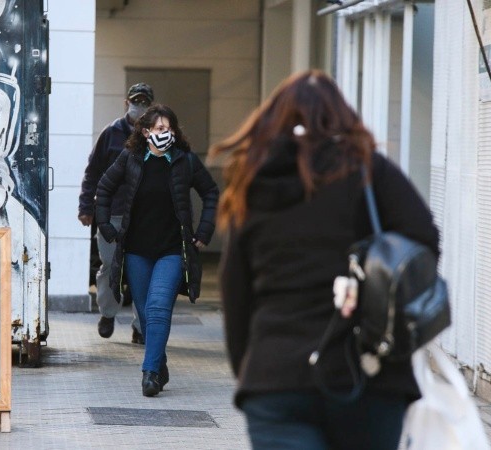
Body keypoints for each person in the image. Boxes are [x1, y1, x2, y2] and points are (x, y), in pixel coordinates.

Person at [215, 70, 440, 450]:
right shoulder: (370, 171)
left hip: (277, 378)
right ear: (342, 117)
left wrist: (250, 368)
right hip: (368, 376)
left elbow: (234, 291)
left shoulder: (253, 183)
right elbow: (424, 241)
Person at [96, 104, 219, 397]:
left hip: (172, 250)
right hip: (137, 251)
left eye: (170, 129)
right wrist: (106, 227)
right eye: (160, 129)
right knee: (146, 313)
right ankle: (159, 364)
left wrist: (203, 231)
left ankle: (149, 373)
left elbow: (211, 191)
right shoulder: (131, 158)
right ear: (146, 131)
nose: (166, 134)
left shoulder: (185, 161)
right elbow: (104, 189)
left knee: (158, 307)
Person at [79, 83, 154, 343]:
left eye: (145, 103)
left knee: (143, 270)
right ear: (126, 103)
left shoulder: (156, 134)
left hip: (145, 216)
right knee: (110, 266)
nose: (139, 106)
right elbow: (92, 172)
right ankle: (108, 313)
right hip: (112, 213)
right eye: (136, 101)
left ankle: (141, 327)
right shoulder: (110, 134)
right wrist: (86, 207)